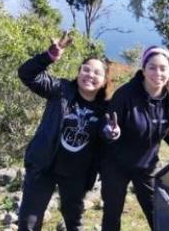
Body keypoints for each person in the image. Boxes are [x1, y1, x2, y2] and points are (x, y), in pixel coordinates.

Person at [15, 32, 108, 231]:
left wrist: (112, 134)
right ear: (79, 72)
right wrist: (49, 56)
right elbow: (26, 74)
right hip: (43, 166)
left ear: (104, 80)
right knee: (28, 224)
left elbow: (109, 135)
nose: (90, 75)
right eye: (86, 69)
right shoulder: (60, 89)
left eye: (97, 73)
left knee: (74, 223)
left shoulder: (105, 110)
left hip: (76, 174)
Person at [98, 45, 169, 231]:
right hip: (115, 165)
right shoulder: (125, 94)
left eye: (163, 68)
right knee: (112, 215)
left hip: (146, 166)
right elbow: (106, 125)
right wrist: (110, 133)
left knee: (158, 215)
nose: (157, 73)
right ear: (143, 69)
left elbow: (168, 131)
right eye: (152, 67)